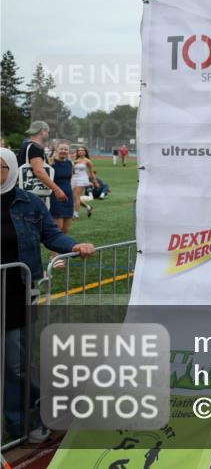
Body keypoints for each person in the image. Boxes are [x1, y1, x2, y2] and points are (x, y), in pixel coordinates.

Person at [1, 148, 95, 442]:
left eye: (0, 166)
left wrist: (75, 245)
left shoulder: (28, 203)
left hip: (15, 292)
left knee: (15, 362)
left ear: (12, 170)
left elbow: (50, 235)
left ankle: (25, 424)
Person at [16, 122, 66, 205]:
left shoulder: (25, 145)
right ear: (43, 131)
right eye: (48, 132)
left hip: (23, 191)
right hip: (34, 195)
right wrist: (57, 189)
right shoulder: (36, 147)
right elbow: (39, 171)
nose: (48, 134)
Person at [48, 143, 75, 233]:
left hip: (68, 197)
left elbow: (69, 179)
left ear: (68, 152)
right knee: (57, 229)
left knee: (66, 230)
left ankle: (63, 246)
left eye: (66, 149)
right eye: (61, 149)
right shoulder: (50, 163)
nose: (63, 151)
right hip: (56, 197)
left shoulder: (69, 163)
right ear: (57, 150)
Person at [71, 147, 97, 219]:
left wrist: (94, 181)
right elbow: (72, 171)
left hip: (82, 179)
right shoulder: (75, 160)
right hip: (74, 179)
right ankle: (88, 207)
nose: (80, 151)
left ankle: (76, 214)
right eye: (79, 150)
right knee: (73, 197)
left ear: (85, 152)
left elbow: (91, 172)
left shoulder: (87, 161)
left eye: (82, 150)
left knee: (77, 197)